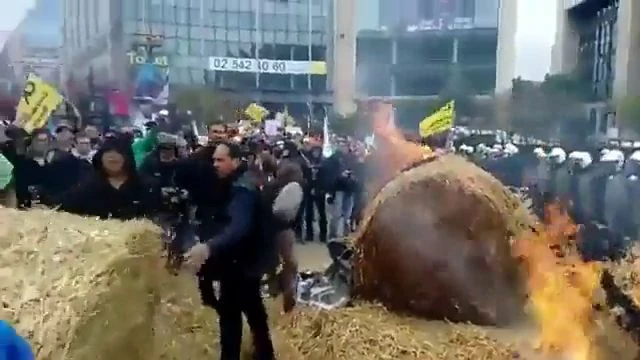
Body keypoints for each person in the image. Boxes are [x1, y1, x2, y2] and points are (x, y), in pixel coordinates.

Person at [184, 142, 274, 360]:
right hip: (246, 260)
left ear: (235, 161)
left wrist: (209, 246)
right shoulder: (237, 182)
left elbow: (239, 227)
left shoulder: (242, 189)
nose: (215, 164)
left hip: (241, 262)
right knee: (253, 310)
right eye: (214, 159)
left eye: (220, 160)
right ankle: (265, 353)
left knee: (230, 315)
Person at [51, 137, 158, 220]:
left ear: (127, 158)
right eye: (107, 153)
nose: (112, 156)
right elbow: (64, 204)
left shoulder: (144, 185)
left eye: (118, 153)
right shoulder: (89, 186)